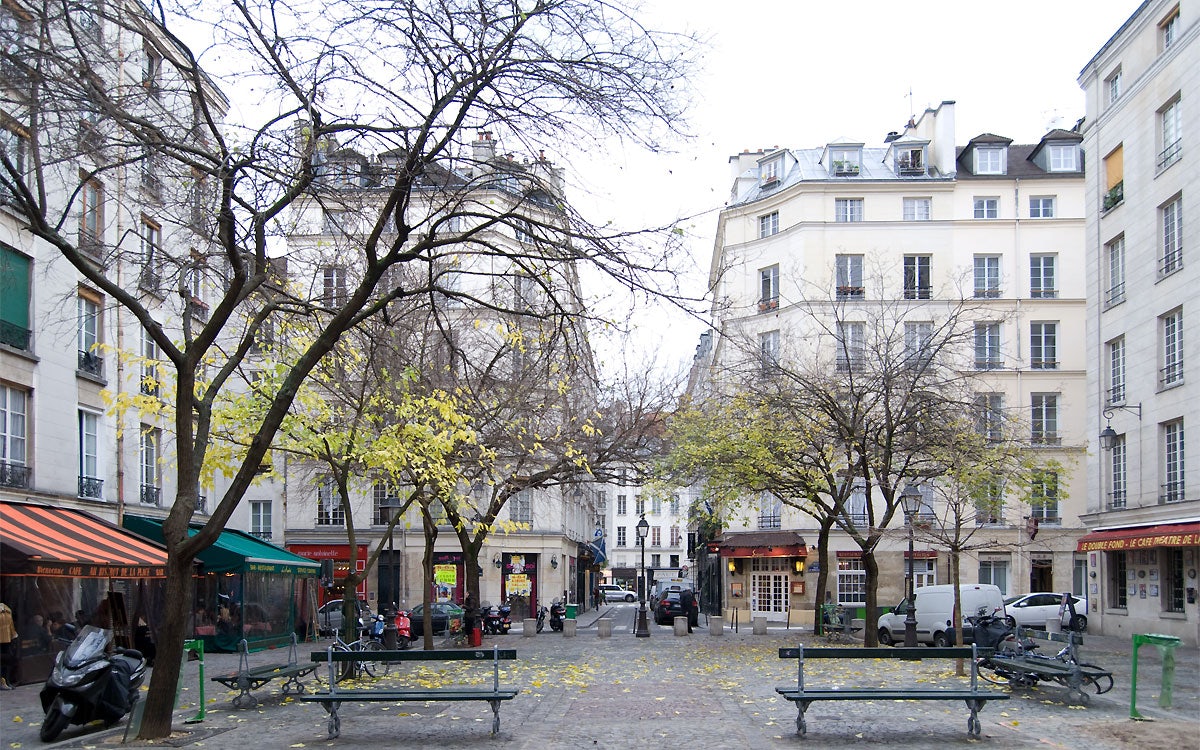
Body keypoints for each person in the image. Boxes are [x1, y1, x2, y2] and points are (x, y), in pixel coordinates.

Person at [0, 602, 17, 689]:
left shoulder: (6, 609)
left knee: (6, 661)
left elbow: (10, 624)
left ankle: (5, 681)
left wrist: (13, 635)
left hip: (6, 639)